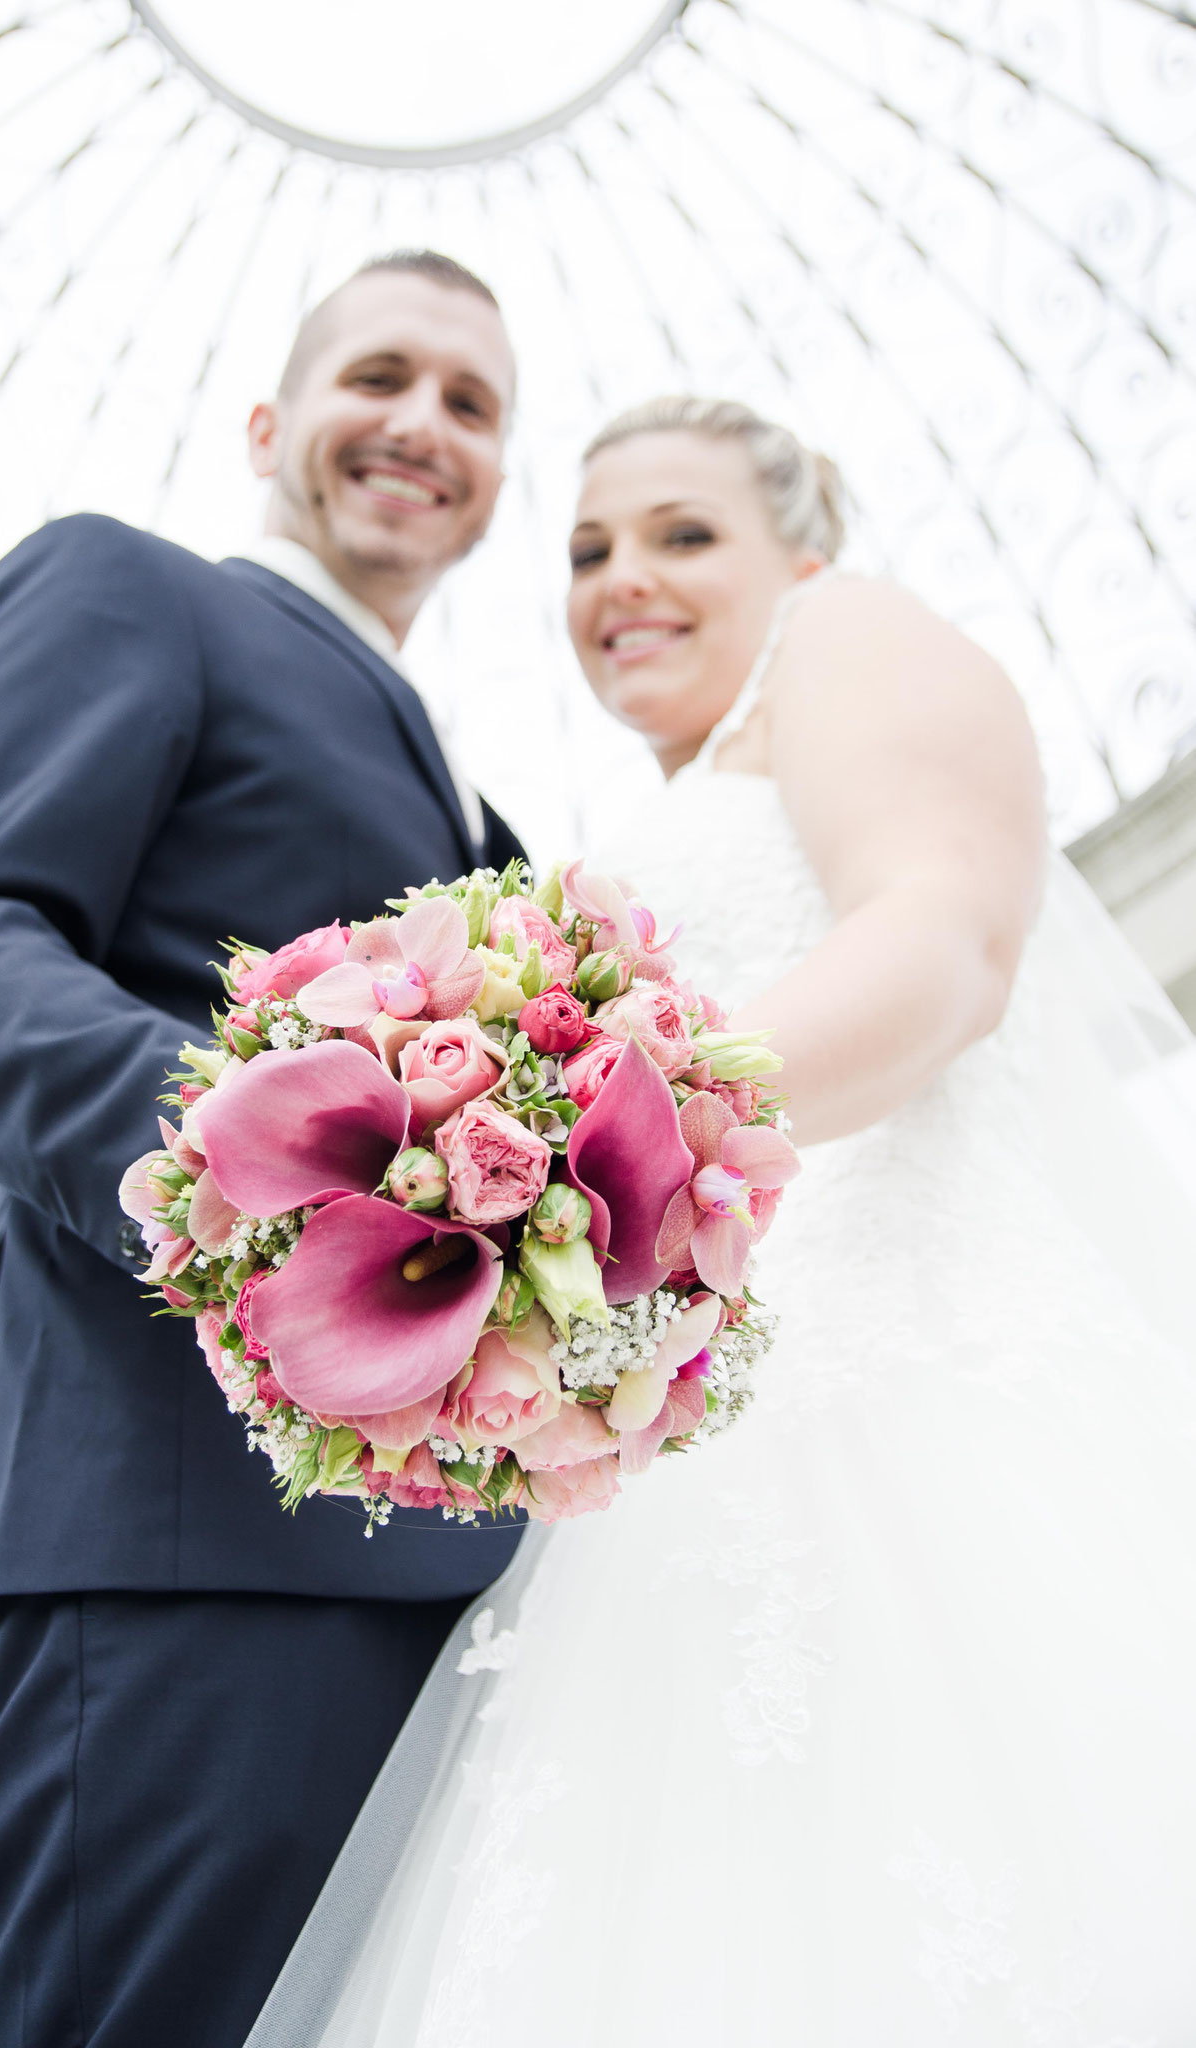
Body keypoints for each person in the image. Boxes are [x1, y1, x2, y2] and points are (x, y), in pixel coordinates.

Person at [284, 398, 1196, 2045]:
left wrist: (596, 1150)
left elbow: (940, 946)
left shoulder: (847, 638)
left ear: (805, 553)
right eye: (586, 551)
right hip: (687, 1482)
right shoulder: (672, 806)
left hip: (911, 1412)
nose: (621, 579)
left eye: (680, 534)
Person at [0, 249, 528, 2047]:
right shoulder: (131, 590)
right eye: (379, 374)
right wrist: (290, 1173)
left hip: (470, 1593)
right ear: (265, 423)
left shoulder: (500, 822)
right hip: (182, 1535)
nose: (420, 424)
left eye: (471, 405)